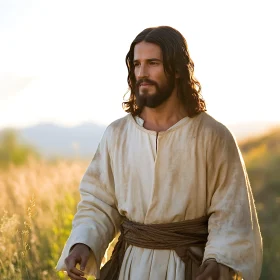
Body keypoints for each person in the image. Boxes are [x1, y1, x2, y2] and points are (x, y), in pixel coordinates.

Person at [56, 26, 262, 280]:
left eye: (152, 63)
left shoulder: (213, 135)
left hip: (190, 267)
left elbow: (231, 210)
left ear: (176, 69)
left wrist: (218, 259)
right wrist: (83, 243)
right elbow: (99, 203)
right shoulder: (117, 134)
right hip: (130, 267)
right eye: (137, 64)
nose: (142, 73)